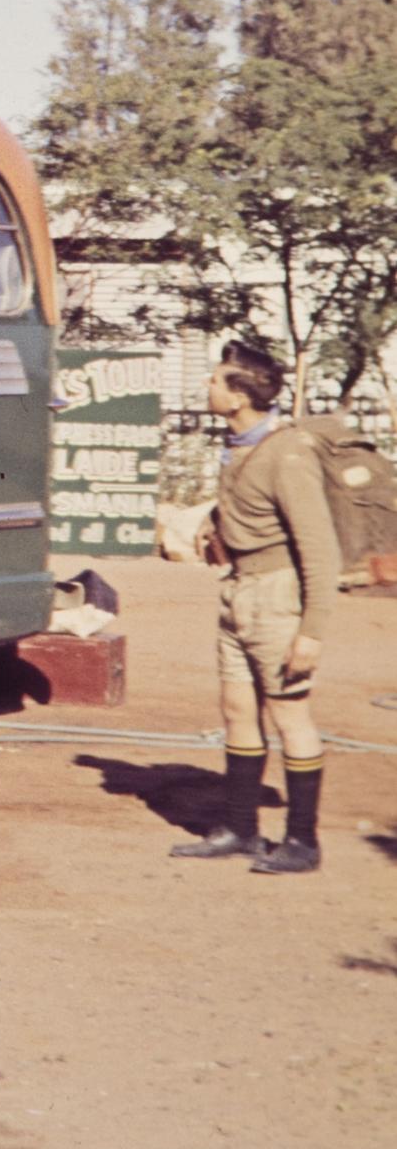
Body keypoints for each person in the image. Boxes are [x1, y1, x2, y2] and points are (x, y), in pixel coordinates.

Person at [172, 347, 337, 873]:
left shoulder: (287, 454)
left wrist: (310, 632)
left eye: (218, 379)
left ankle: (302, 842)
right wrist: (216, 522)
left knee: (290, 715)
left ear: (241, 395)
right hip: (237, 589)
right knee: (238, 712)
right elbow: (250, 505)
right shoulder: (239, 445)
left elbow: (320, 549)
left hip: (275, 597)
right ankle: (240, 830)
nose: (208, 383)